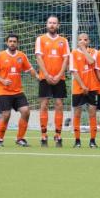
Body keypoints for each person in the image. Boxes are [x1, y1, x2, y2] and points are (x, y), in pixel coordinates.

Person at [0, 33, 37, 147]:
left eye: (14, 41)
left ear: (18, 43)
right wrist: (2, 80)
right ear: (7, 43)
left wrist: (39, 78)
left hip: (17, 91)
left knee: (26, 111)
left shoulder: (21, 56)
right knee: (6, 115)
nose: (12, 43)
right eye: (10, 41)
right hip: (3, 91)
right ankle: (0, 139)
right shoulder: (0, 55)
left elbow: (30, 69)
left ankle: (20, 138)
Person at [35, 15, 70, 147]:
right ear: (46, 25)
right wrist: (47, 75)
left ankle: (58, 135)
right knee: (44, 104)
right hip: (45, 77)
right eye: (50, 23)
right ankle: (43, 135)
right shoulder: (40, 39)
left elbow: (66, 59)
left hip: (59, 78)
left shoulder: (64, 41)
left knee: (59, 104)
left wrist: (60, 74)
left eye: (54, 23)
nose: (52, 25)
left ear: (58, 25)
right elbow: (39, 58)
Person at [69, 33, 99, 148]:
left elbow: (91, 61)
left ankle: (92, 141)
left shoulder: (94, 52)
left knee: (92, 112)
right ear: (77, 41)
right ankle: (77, 141)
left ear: (89, 41)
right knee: (77, 113)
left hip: (92, 87)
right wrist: (82, 86)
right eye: (80, 40)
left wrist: (83, 49)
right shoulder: (73, 53)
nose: (83, 41)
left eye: (85, 39)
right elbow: (74, 71)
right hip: (78, 88)